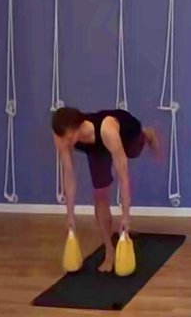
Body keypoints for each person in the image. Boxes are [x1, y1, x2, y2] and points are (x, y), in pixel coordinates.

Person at [52, 107, 160, 274]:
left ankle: (147, 134)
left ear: (79, 126)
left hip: (125, 133)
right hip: (96, 148)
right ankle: (109, 251)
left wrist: (125, 216)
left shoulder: (108, 130)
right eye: (64, 139)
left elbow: (123, 177)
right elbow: (69, 174)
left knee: (134, 151)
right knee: (100, 194)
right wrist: (70, 216)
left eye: (70, 138)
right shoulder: (61, 135)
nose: (66, 143)